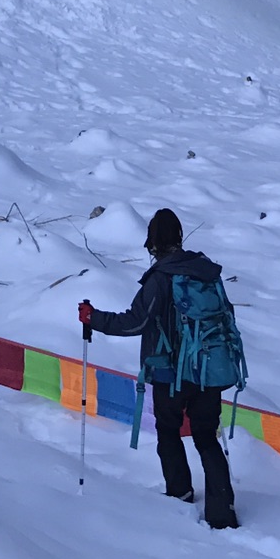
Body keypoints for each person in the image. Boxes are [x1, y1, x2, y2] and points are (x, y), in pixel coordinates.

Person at [79, 208, 241, 529]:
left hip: (170, 373)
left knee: (169, 431)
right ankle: (222, 509)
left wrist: (93, 318)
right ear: (179, 236)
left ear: (152, 242)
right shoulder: (206, 273)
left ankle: (179, 492)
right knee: (206, 436)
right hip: (209, 370)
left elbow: (135, 322)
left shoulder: (161, 278)